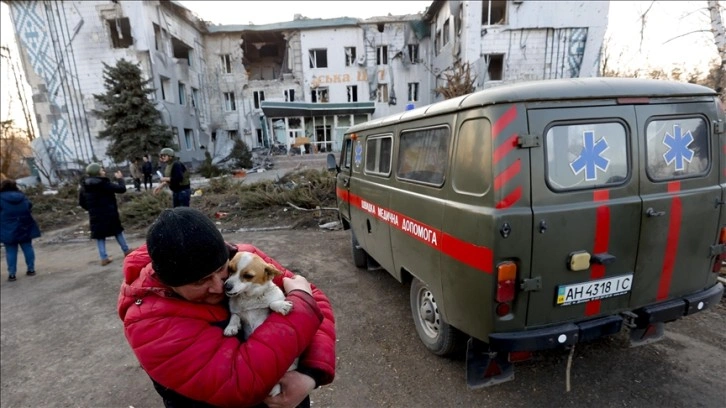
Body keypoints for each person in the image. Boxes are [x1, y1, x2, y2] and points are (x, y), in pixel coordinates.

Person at [118, 207, 336, 407]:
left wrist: (310, 374)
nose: (220, 286)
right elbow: (239, 382)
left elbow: (316, 300)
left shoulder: (241, 259)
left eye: (223, 269)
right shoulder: (148, 322)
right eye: (199, 281)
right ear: (170, 283)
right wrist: (301, 303)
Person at [79, 163, 132, 266]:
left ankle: (104, 258)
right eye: (102, 170)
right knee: (117, 231)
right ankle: (126, 250)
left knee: (100, 235)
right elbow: (121, 189)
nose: (104, 172)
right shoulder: (103, 183)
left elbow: (82, 202)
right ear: (97, 172)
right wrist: (120, 179)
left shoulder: (84, 186)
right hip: (109, 213)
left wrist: (91, 209)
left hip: (95, 215)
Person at [0, 179, 41, 282]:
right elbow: (29, 206)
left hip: (7, 227)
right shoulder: (22, 196)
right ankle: (31, 269)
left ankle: (12, 274)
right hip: (24, 225)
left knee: (10, 250)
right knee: (27, 247)